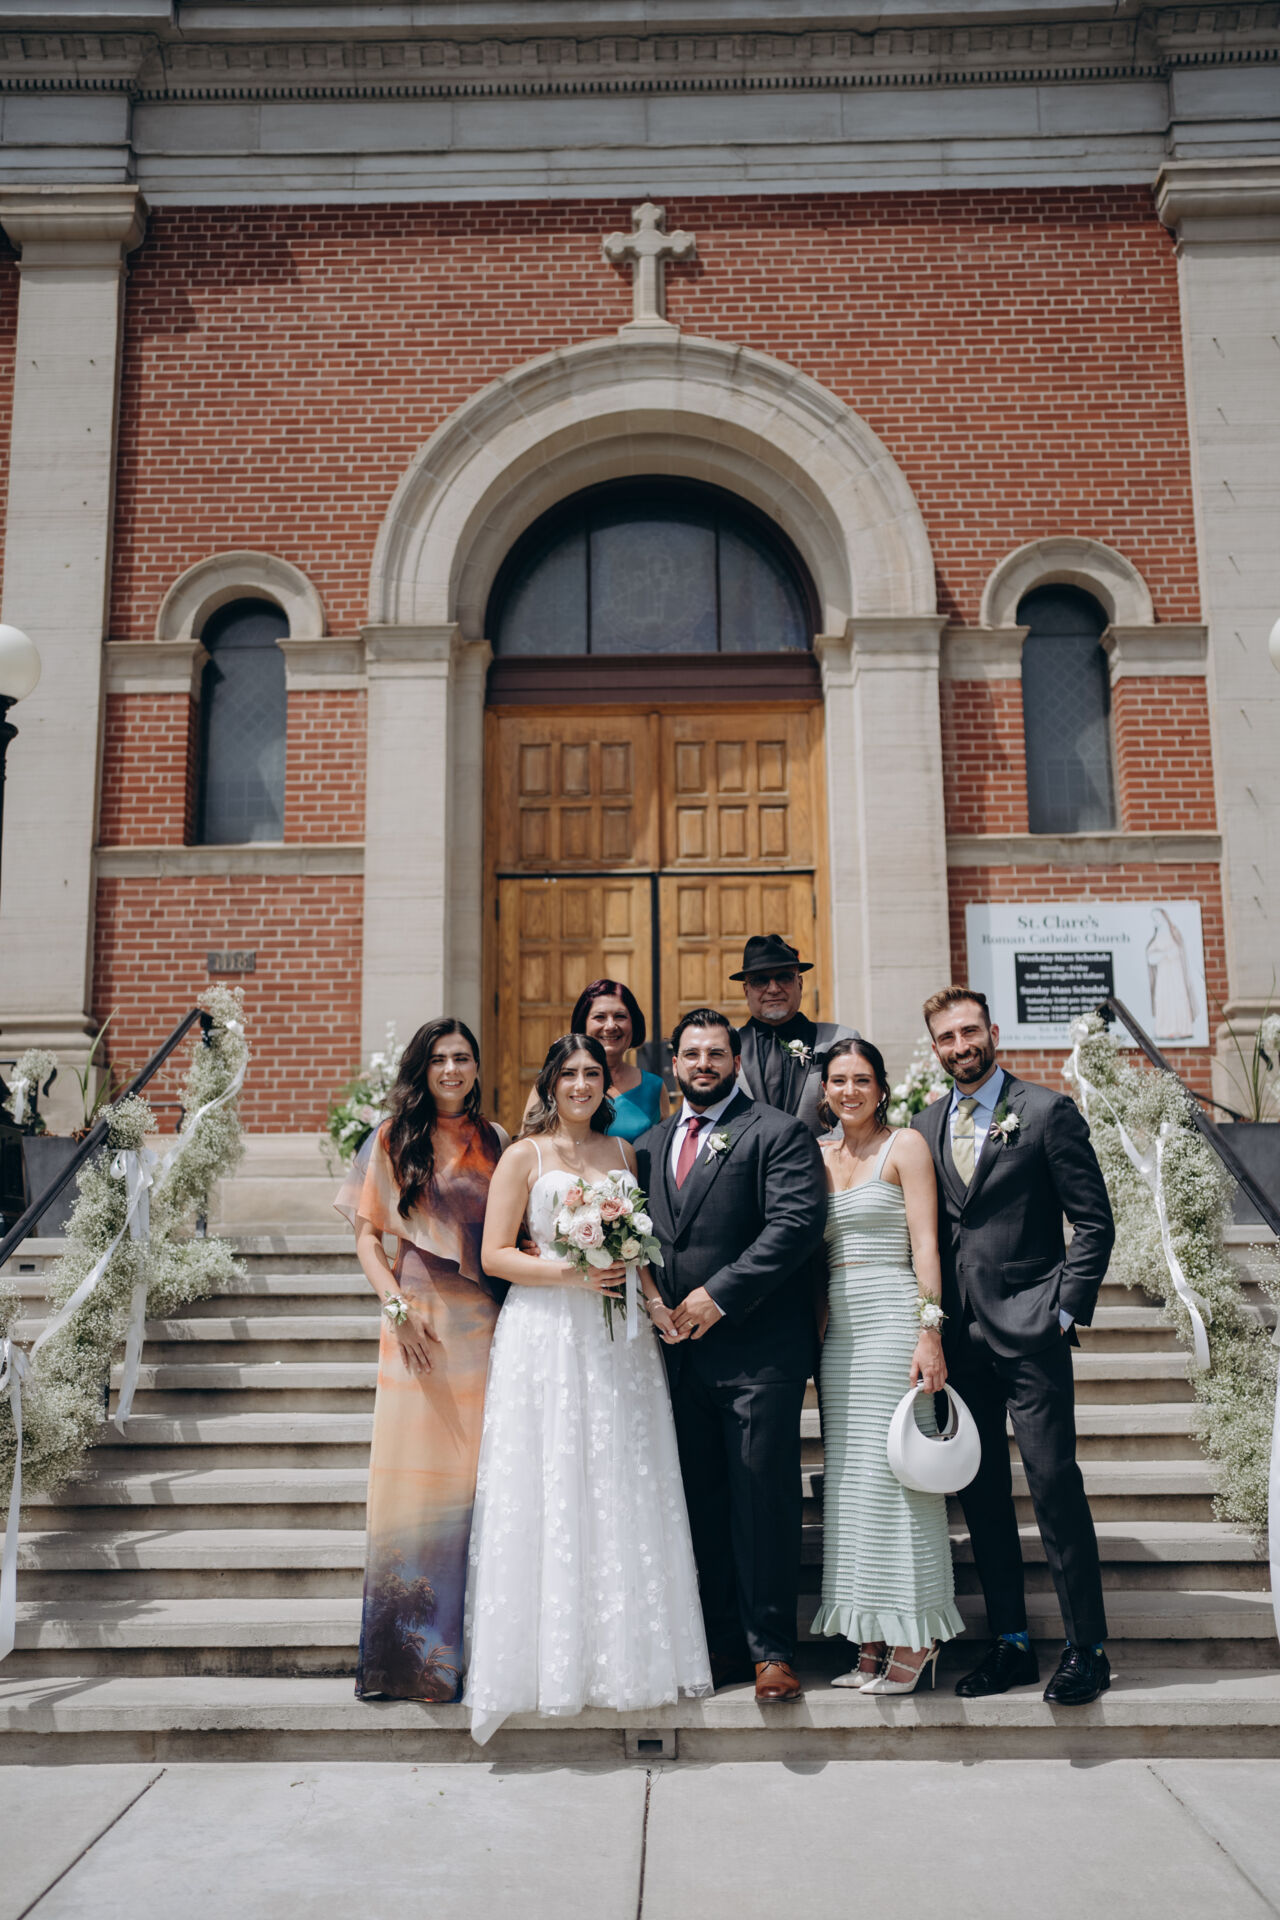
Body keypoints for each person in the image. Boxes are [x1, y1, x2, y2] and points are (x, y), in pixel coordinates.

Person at [465, 1032, 710, 1744]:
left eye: (592, 1074)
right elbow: (494, 1255)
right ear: (551, 1082)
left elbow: (637, 1253)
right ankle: (546, 1663)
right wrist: (573, 1274)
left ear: (609, 1083)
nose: (581, 1084)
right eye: (569, 1073)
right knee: (552, 1478)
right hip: (546, 1332)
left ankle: (624, 1657)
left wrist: (655, 1304)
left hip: (618, 1335)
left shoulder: (624, 1155)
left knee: (619, 1479)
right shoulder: (524, 1155)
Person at [913, 986, 1116, 1705]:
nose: (961, 1046)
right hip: (960, 1340)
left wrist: (1063, 1311)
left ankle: (1088, 1649)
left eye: (970, 1031)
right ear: (935, 1048)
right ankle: (1012, 1644)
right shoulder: (924, 1124)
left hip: (1033, 1330)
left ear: (993, 1033)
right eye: (947, 1037)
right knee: (983, 1496)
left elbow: (1094, 1223)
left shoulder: (1047, 1112)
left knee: (1054, 1484)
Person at [635, 1008, 828, 1702]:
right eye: (692, 1054)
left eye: (717, 1053)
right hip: (678, 1356)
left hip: (758, 1352)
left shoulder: (777, 1132)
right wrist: (654, 1302)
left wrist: (720, 1294)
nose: (704, 1064)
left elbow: (795, 1225)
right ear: (674, 1064)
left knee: (762, 1503)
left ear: (737, 1062)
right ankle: (718, 1647)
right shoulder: (648, 1146)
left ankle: (771, 1651)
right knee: (700, 1503)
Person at [335, 1017, 506, 1702]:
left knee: (475, 1488)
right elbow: (367, 1238)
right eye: (439, 1059)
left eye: (462, 1058)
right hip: (416, 1322)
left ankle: (472, 1657)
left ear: (476, 1067)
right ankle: (405, 1661)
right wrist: (395, 1309)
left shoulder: (496, 1141)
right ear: (422, 1068)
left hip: (485, 1330)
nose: (452, 1070)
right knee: (413, 1488)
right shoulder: (391, 1138)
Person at [811, 1039, 965, 1692]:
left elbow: (927, 1245)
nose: (850, 1091)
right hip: (840, 1333)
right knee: (851, 1486)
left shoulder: (906, 1146)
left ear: (881, 1088)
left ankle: (918, 1637)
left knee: (900, 1480)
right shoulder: (816, 1156)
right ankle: (870, 1637)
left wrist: (930, 1332)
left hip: (894, 1317)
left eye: (862, 1079)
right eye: (838, 1080)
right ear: (824, 1090)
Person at [732, 933, 859, 1135]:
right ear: (746, 991)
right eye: (760, 981)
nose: (773, 989)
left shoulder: (841, 1040)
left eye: (784, 977)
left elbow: (860, 1111)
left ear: (800, 984)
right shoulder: (725, 1046)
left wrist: (830, 1148)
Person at [520, 978, 670, 1142]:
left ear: (633, 1024)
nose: (610, 1026)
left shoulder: (654, 1087)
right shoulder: (553, 1079)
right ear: (583, 1023)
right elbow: (529, 1141)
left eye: (620, 1016)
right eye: (600, 1017)